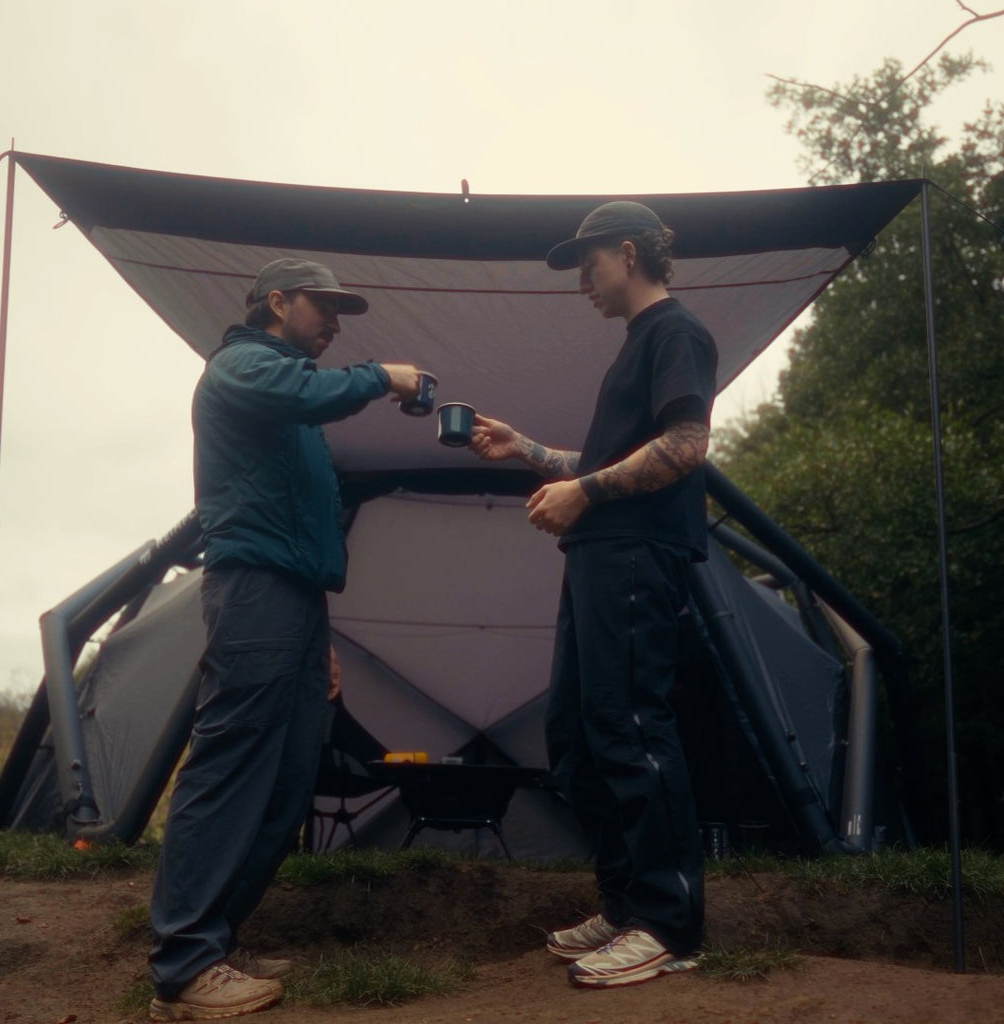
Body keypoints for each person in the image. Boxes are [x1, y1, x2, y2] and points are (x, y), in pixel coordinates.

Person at [148, 258, 422, 1021]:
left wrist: (316, 635)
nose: (334, 321)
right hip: (253, 590)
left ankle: (217, 938)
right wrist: (383, 377)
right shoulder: (241, 367)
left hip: (295, 601)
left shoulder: (289, 398)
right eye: (322, 306)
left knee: (291, 769)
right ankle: (181, 967)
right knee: (232, 763)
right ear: (277, 302)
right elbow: (309, 392)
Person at [467, 202, 717, 989]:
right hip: (603, 555)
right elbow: (610, 456)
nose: (583, 283)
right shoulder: (639, 346)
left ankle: (670, 924)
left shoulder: (678, 333)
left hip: (640, 554)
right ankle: (624, 905)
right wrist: (530, 452)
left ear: (630, 252)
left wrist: (584, 495)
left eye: (590, 264)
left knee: (633, 726)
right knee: (577, 731)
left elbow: (686, 446)